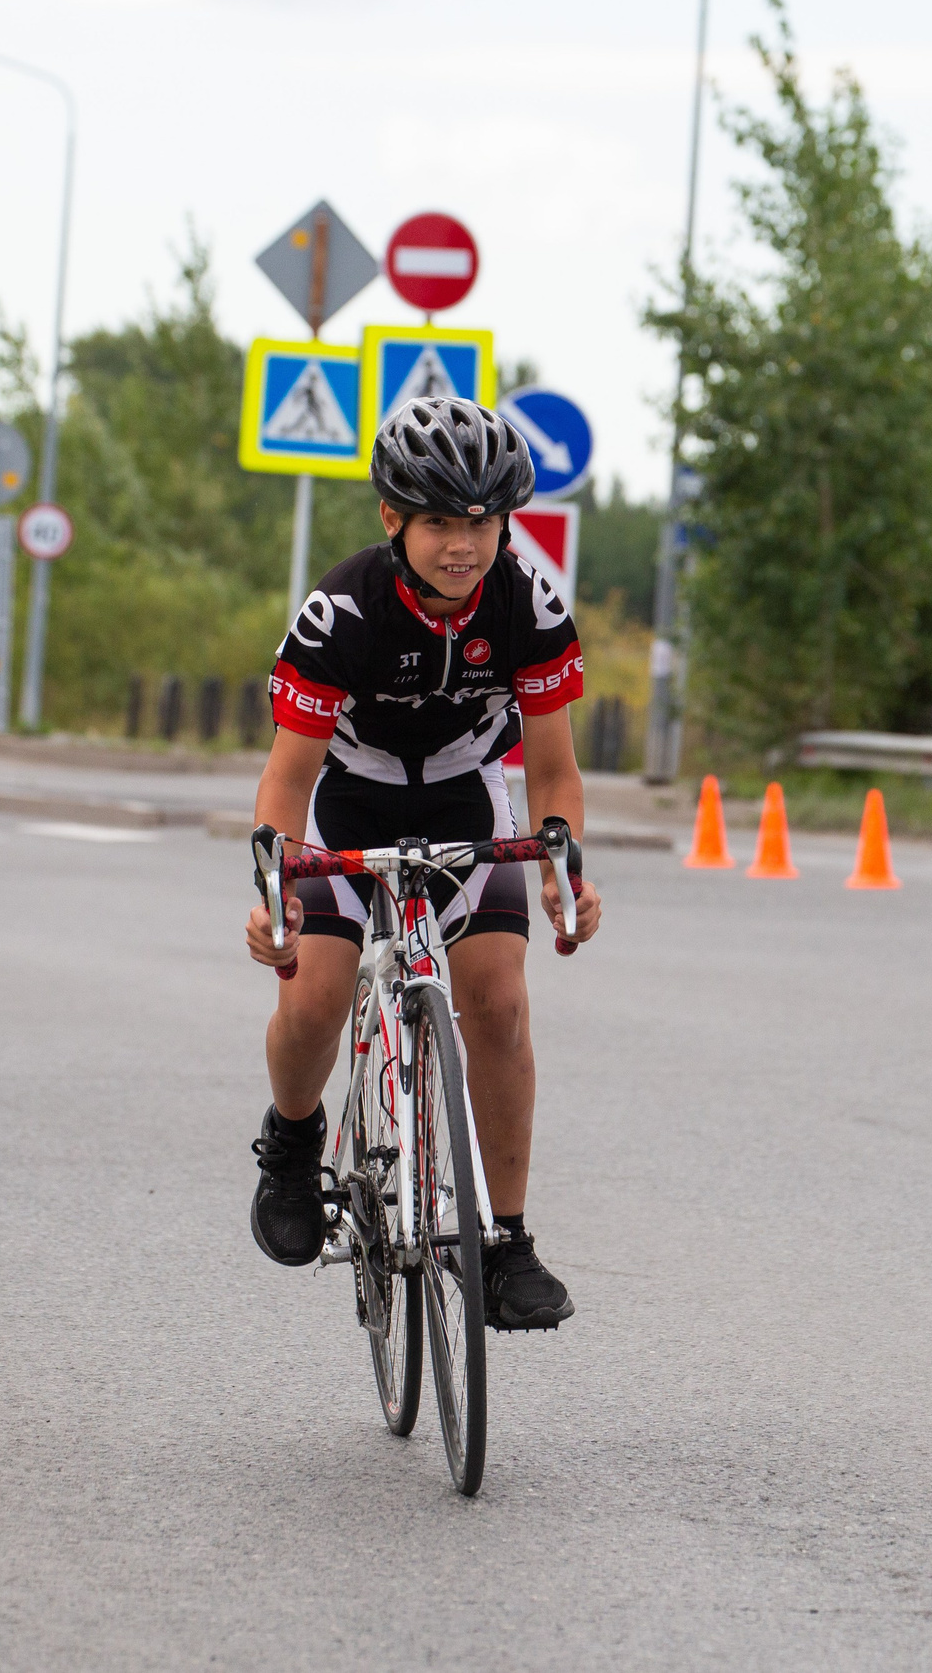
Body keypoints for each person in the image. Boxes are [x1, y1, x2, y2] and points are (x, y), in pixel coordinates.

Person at [242, 397, 603, 1330]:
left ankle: (506, 1240)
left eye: (483, 520)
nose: (464, 544)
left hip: (463, 792)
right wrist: (278, 896)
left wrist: (566, 871)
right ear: (391, 517)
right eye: (441, 519)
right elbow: (286, 782)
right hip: (349, 793)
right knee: (313, 996)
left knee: (500, 1001)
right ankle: (291, 1140)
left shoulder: (528, 600)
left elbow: (555, 770)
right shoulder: (342, 611)